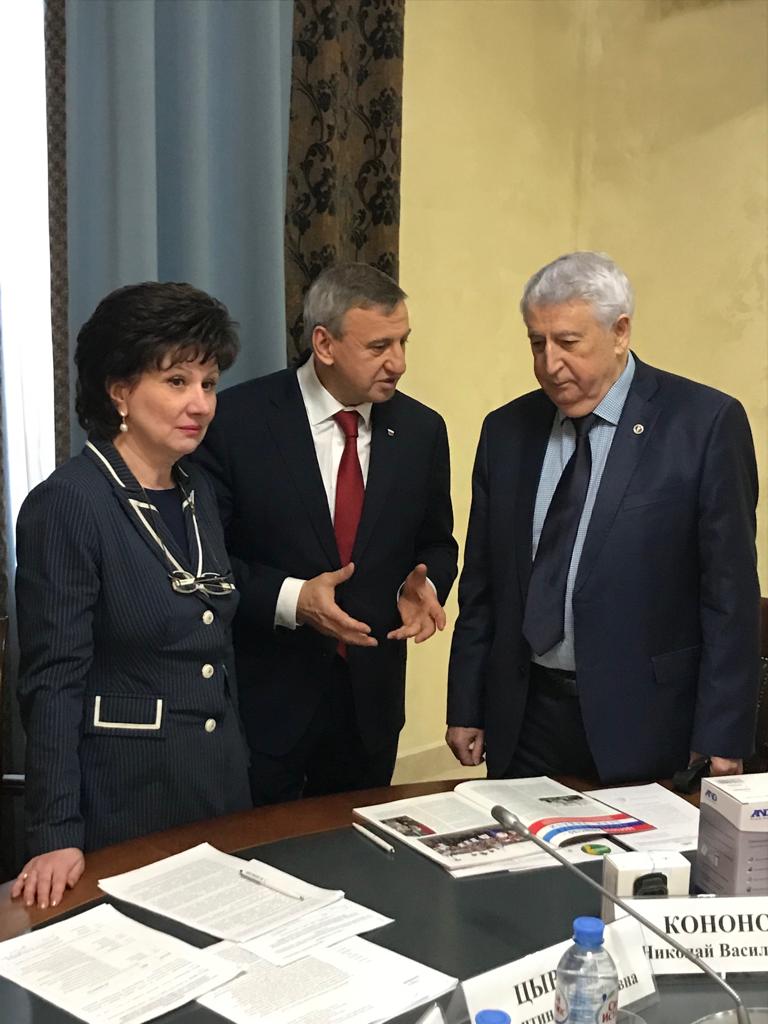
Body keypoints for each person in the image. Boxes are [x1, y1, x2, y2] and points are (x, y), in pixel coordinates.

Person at [446, 251, 760, 784]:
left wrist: (723, 733)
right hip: (526, 718)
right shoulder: (506, 430)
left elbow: (729, 597)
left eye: (568, 343)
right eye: (537, 343)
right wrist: (466, 703)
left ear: (620, 332)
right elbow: (482, 585)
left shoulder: (703, 425)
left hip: (649, 724)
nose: (550, 364)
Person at [12, 282, 252, 909]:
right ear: (119, 391)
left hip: (218, 785)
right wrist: (55, 832)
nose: (200, 403)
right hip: (124, 799)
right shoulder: (69, 503)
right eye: (177, 381)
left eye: (209, 383)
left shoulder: (197, 491)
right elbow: (53, 680)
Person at [195, 262, 458, 804]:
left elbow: (437, 543)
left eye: (404, 342)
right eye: (379, 346)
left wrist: (426, 586)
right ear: (324, 344)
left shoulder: (422, 431)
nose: (399, 363)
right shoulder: (236, 422)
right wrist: (294, 599)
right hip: (266, 704)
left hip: (370, 708)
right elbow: (205, 561)